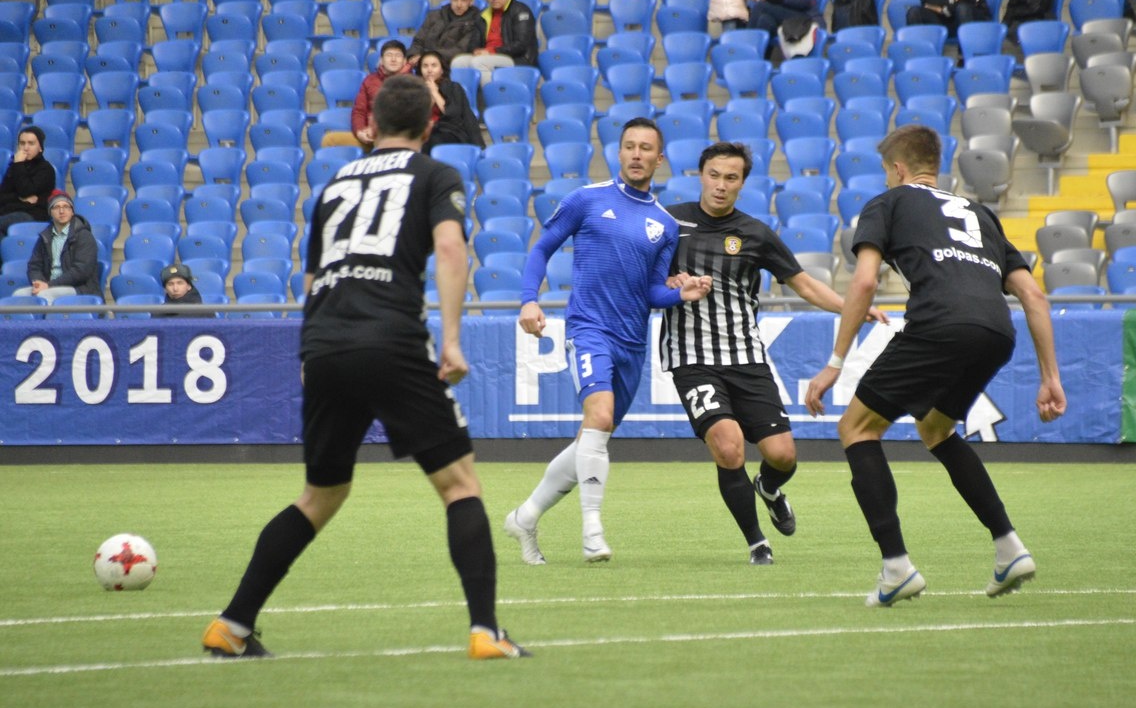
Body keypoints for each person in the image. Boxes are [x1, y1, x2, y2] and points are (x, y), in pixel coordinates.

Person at [202, 75, 528, 661]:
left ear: (371, 124)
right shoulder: (435, 175)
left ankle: (231, 625)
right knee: (459, 485)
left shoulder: (335, 184)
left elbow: (311, 279)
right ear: (430, 125)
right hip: (390, 339)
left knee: (319, 495)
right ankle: (486, 631)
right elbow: (450, 249)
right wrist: (452, 341)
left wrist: (309, 351)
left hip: (325, 343)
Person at [804, 125, 1066, 608]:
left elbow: (863, 284)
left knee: (857, 428)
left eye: (887, 173)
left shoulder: (888, 203)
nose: (887, 180)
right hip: (996, 333)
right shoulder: (981, 214)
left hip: (939, 324)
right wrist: (1051, 377)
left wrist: (835, 363)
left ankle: (896, 567)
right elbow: (1033, 295)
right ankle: (1009, 547)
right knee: (936, 429)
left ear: (898, 169)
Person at [660, 142, 887, 565]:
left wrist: (852, 307)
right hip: (691, 358)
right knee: (728, 446)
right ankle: (757, 543)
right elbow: (637, 271)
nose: (721, 185)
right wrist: (666, 283)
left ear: (742, 183)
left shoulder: (755, 233)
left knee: (783, 456)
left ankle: (767, 487)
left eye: (731, 178)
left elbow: (804, 284)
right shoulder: (668, 222)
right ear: (700, 175)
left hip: (746, 358)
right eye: (714, 175)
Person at [503, 118, 713, 565]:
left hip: (632, 343)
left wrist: (682, 294)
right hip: (589, 329)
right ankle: (592, 532)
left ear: (660, 159)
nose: (637, 154)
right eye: (629, 146)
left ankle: (526, 516)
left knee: (592, 438)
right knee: (598, 417)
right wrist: (529, 300)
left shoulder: (664, 224)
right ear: (618, 153)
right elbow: (541, 249)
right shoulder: (587, 199)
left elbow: (652, 292)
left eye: (646, 148)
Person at [450, 0, 538, 88]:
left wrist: (491, 51)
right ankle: (464, 97)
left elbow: (521, 45)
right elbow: (473, 43)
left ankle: (493, 96)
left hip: (517, 59)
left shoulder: (520, 11)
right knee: (458, 62)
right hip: (490, 56)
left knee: (479, 62)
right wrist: (476, 51)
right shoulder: (483, 14)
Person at [15, 189, 101, 304]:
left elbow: (81, 272)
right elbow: (34, 265)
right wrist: (39, 283)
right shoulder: (45, 237)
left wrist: (49, 285)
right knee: (19, 295)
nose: (61, 211)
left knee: (44, 295)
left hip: (79, 288)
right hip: (48, 285)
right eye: (56, 207)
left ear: (72, 211)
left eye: (66, 207)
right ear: (50, 212)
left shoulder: (84, 236)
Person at [406, 0, 486, 72]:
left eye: (463, 0)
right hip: (423, 63)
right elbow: (418, 40)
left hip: (447, 66)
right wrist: (413, 55)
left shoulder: (476, 22)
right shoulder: (434, 16)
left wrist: (427, 57)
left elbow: (460, 50)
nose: (459, 4)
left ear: (471, 1)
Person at [419, 50, 485, 152]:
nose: (429, 70)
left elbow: (453, 114)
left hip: (448, 131)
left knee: (435, 139)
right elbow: (416, 116)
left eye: (434, 65)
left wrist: (435, 93)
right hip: (421, 131)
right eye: (425, 66)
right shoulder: (415, 89)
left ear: (442, 70)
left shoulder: (453, 87)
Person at [351, 40, 411, 148]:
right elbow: (359, 111)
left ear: (404, 61)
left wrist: (376, 130)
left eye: (398, 56)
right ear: (381, 60)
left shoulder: (413, 83)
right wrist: (360, 132)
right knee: (331, 140)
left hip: (400, 137)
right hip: (370, 136)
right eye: (389, 55)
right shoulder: (370, 80)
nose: (393, 59)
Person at [0, 126, 56, 235]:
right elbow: (2, 195)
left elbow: (25, 190)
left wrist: (19, 164)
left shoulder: (45, 169)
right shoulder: (14, 167)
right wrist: (18, 198)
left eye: (31, 143)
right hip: (7, 212)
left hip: (32, 215)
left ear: (40, 148)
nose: (26, 148)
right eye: (22, 143)